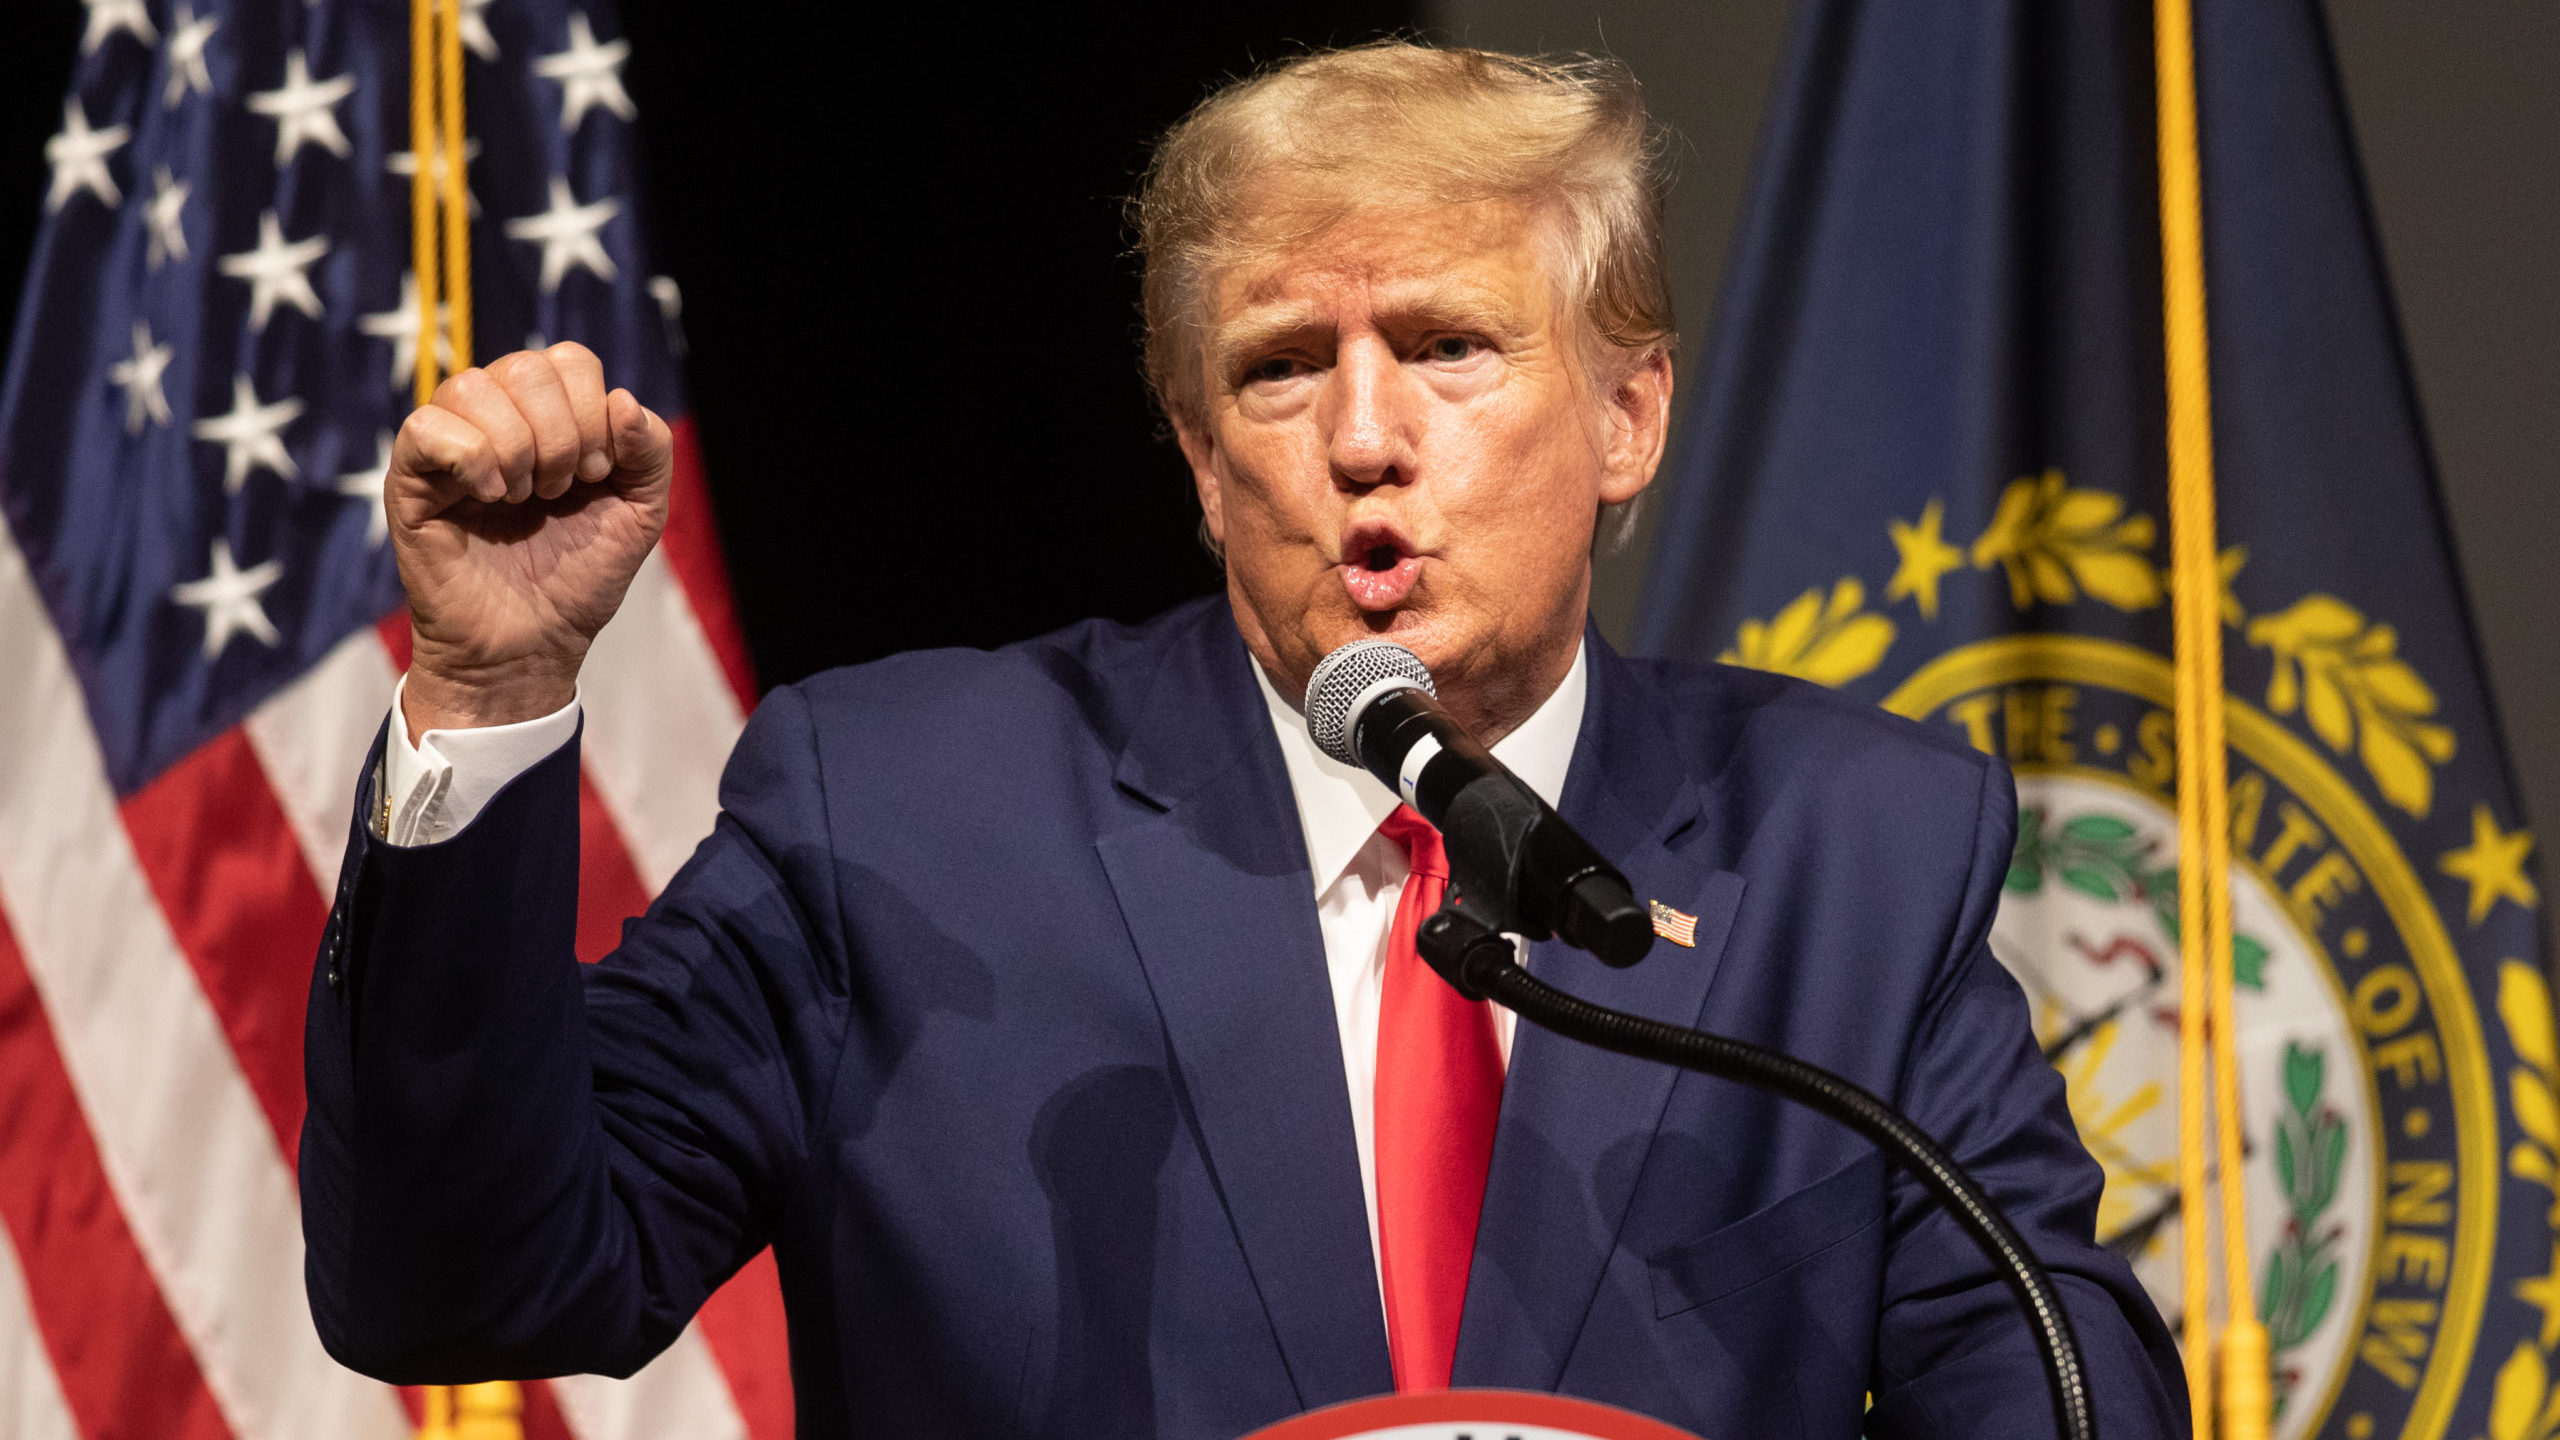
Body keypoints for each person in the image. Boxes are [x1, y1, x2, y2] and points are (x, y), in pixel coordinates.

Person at [302, 42, 2186, 1439]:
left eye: (1450, 345)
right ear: (1204, 463)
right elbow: (456, 1276)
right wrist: (486, 698)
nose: (1363, 438)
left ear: (1627, 419)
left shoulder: (1853, 849)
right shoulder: (898, 813)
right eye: (1282, 368)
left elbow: (2055, 1397)